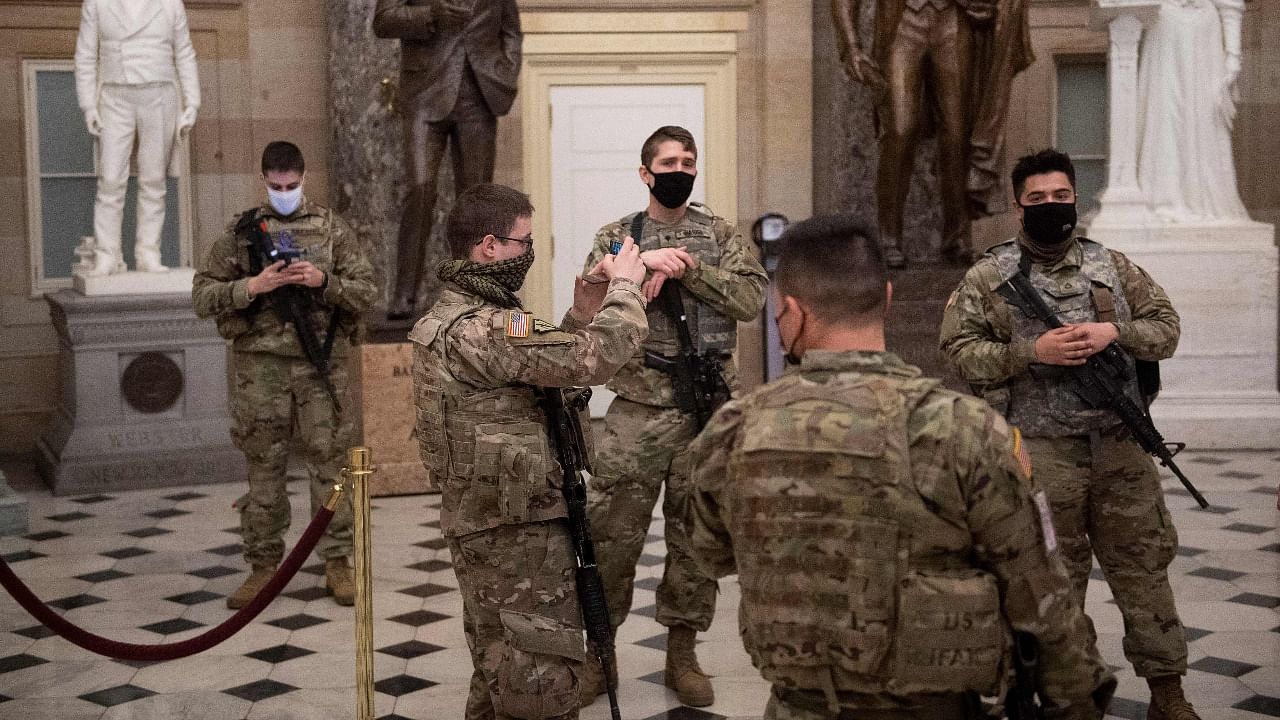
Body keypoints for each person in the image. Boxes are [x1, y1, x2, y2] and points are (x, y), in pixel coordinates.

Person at [688, 213, 1115, 720]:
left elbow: (711, 555)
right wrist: (1077, 704)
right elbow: (1041, 596)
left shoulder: (735, 428)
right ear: (887, 299)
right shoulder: (964, 429)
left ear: (792, 312)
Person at [939, 149, 1197, 719]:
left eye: (1061, 197)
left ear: (1076, 197)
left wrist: (1115, 331)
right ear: (1017, 205)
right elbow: (958, 353)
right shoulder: (990, 276)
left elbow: (1167, 330)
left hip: (1120, 448)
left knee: (1144, 571)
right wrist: (1034, 350)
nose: (1051, 207)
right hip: (1040, 454)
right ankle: (1074, 695)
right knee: (1054, 583)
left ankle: (1167, 691)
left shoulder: (1114, 267)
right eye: (1037, 199)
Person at [410, 183, 648, 720]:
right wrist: (627, 289)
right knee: (541, 676)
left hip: (488, 523)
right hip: (519, 533)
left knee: (499, 665)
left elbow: (536, 378)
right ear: (489, 247)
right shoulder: (487, 326)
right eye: (524, 242)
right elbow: (594, 359)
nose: (529, 252)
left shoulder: (460, 317)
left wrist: (582, 310)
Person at [578, 125, 768, 708]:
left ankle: (681, 653)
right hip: (637, 410)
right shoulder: (618, 236)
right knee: (611, 535)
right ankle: (599, 656)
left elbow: (751, 299)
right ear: (645, 173)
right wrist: (634, 264)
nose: (680, 169)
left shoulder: (720, 234)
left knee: (696, 538)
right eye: (668, 161)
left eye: (688, 160)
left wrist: (689, 270)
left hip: (706, 412)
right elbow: (588, 291)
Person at [193, 141, 375, 609]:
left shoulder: (332, 229)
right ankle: (262, 568)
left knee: (331, 468)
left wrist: (323, 282)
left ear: (305, 177)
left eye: (292, 186)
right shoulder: (241, 232)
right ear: (263, 181)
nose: (284, 193)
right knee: (264, 470)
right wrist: (253, 286)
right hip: (261, 371)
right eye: (276, 187)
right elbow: (202, 296)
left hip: (321, 368)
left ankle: (338, 563)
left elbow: (368, 292)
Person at [831, 0, 1032, 267]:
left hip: (952, 20)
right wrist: (852, 45)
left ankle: (956, 239)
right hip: (902, 22)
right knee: (900, 131)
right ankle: (888, 237)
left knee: (958, 134)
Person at [372, 0, 522, 320]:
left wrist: (505, 72)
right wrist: (430, 14)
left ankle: (476, 291)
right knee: (420, 190)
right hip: (424, 92)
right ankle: (405, 293)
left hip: (479, 94)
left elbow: (511, 30)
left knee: (477, 203)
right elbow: (383, 21)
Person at [74, 0, 200, 276]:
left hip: (160, 93)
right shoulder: (96, 3)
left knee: (153, 181)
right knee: (110, 180)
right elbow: (85, 55)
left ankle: (148, 252)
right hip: (114, 95)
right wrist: (88, 106)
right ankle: (107, 254)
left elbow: (184, 53)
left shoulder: (170, 4)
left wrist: (192, 103)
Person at [1136, 0, 1249, 222]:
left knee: (1206, 117)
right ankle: (1163, 196)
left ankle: (1203, 198)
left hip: (1204, 35)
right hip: (1164, 26)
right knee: (1165, 114)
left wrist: (1233, 55)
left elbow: (1230, 6)